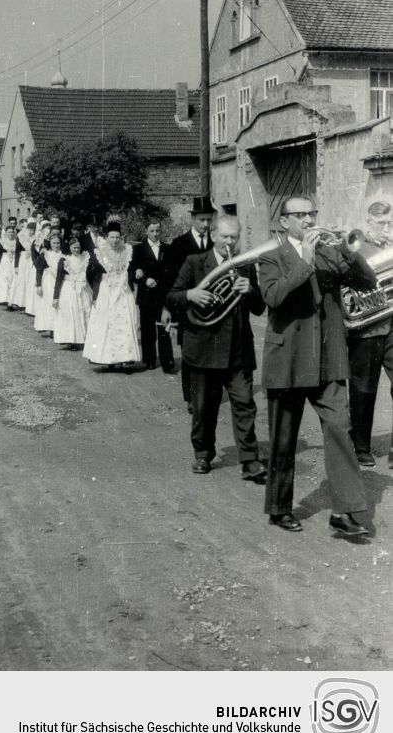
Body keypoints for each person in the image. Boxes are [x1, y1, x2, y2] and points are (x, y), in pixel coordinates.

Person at [259, 195, 377, 535]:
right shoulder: (270, 255)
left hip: (329, 360)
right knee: (283, 440)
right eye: (302, 215)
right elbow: (274, 297)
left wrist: (350, 254)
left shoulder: (329, 252)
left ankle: (344, 511)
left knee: (341, 430)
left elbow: (367, 283)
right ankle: (280, 508)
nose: (310, 220)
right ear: (285, 222)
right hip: (289, 360)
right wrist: (305, 261)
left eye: (312, 213)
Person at [166, 215, 266, 481]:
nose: (230, 242)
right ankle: (203, 454)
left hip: (237, 351)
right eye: (225, 237)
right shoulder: (195, 263)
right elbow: (172, 296)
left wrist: (250, 292)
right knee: (202, 407)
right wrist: (191, 294)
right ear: (213, 236)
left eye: (234, 237)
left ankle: (249, 460)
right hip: (204, 349)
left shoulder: (244, 267)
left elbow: (259, 309)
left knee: (245, 404)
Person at [347, 201, 393, 468]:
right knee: (364, 389)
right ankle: (361, 446)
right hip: (366, 329)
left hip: (391, 326)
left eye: (389, 223)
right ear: (368, 222)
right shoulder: (357, 246)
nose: (386, 228)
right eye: (381, 224)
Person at [164, 196, 216, 411]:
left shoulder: (216, 243)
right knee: (189, 354)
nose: (206, 224)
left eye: (209, 220)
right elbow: (169, 281)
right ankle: (191, 398)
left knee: (210, 352)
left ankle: (208, 394)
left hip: (212, 308)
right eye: (202, 219)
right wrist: (167, 309)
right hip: (186, 309)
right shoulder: (179, 244)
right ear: (193, 218)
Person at [83, 219, 141, 369]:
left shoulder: (127, 251)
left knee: (125, 322)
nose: (115, 240)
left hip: (123, 292)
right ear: (107, 238)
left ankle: (125, 359)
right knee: (107, 324)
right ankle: (109, 360)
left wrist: (134, 274)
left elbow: (132, 270)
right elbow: (90, 274)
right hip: (106, 291)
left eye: (117, 237)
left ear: (121, 238)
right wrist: (97, 291)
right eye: (112, 237)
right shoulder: (99, 252)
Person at [131, 219, 174, 372]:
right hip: (146, 297)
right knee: (148, 330)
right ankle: (149, 360)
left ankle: (167, 362)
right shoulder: (138, 249)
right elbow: (131, 272)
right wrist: (143, 279)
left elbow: (172, 273)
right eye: (152, 231)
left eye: (157, 231)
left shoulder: (167, 249)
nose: (155, 234)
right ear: (146, 231)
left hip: (162, 295)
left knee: (164, 327)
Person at [53, 236, 92, 349]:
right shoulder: (64, 260)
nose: (76, 250)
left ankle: (85, 338)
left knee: (84, 311)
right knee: (72, 313)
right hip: (69, 288)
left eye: (78, 247)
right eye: (74, 247)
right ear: (69, 248)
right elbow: (58, 279)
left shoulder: (84, 258)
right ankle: (72, 340)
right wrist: (55, 297)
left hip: (83, 287)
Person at [34, 231, 64, 336]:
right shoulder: (45, 254)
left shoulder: (63, 254)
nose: (56, 245)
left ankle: (58, 327)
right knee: (47, 304)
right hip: (48, 280)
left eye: (58, 243)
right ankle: (50, 327)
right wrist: (38, 285)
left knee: (59, 303)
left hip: (59, 282)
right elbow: (39, 270)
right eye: (54, 243)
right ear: (50, 243)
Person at [0, 225, 16, 307]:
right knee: (4, 278)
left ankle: (11, 299)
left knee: (12, 279)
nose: (10, 234)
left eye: (12, 232)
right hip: (4, 261)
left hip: (13, 261)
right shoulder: (2, 242)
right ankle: (4, 298)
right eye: (9, 232)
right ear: (6, 233)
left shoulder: (16, 242)